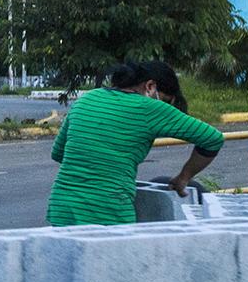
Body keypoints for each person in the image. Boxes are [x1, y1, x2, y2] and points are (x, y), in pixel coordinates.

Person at [45, 60, 223, 226]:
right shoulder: (150, 108)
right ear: (150, 86)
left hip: (62, 208)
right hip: (108, 212)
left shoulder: (86, 99)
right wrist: (184, 177)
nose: (166, 106)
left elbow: (58, 153)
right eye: (167, 101)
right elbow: (213, 139)